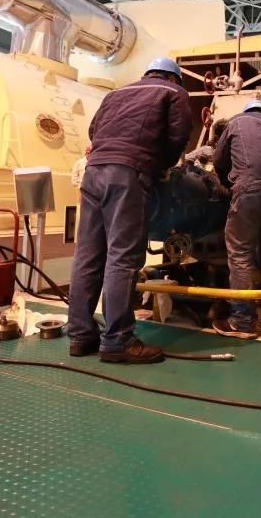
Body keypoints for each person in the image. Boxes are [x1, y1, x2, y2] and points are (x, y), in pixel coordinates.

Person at [67, 57, 192, 364]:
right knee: (122, 256)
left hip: (93, 172)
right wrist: (161, 165)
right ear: (173, 78)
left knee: (87, 255)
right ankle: (117, 340)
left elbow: (94, 130)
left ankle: (81, 335)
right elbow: (178, 136)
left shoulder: (116, 93)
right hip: (126, 173)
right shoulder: (173, 92)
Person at [211, 99, 261, 339]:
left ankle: (242, 320)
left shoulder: (237, 122)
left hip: (251, 189)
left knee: (240, 252)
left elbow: (219, 160)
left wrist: (227, 185)